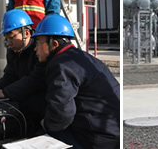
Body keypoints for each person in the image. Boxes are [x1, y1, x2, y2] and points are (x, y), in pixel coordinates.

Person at [32, 14, 121, 149]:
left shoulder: (61, 64)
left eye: (38, 42)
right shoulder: (82, 57)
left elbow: (61, 114)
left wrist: (45, 124)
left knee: (38, 134)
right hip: (113, 131)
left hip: (97, 139)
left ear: (54, 44)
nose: (35, 48)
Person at [0, 9, 47, 135]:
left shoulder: (39, 49)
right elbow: (10, 76)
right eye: (6, 39)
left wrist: (5, 92)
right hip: (24, 97)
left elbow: (35, 80)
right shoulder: (13, 50)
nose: (8, 43)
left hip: (41, 104)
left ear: (26, 33)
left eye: (12, 37)